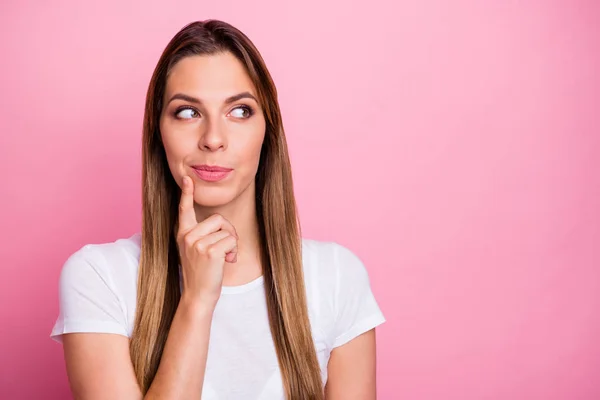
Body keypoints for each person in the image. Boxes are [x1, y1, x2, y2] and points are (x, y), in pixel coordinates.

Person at [50, 19, 385, 400]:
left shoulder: (337, 278)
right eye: (188, 112)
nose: (212, 139)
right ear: (158, 132)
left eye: (239, 111)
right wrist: (196, 301)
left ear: (268, 131)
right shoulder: (100, 277)